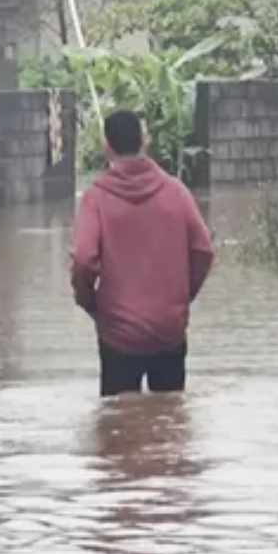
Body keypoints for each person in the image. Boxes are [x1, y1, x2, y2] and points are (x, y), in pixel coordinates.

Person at [70, 110, 214, 397]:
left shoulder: (96, 199)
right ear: (145, 140)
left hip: (118, 334)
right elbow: (203, 250)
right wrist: (181, 299)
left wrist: (90, 304)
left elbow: (84, 259)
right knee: (170, 425)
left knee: (117, 429)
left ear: (106, 147)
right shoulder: (176, 192)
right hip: (169, 331)